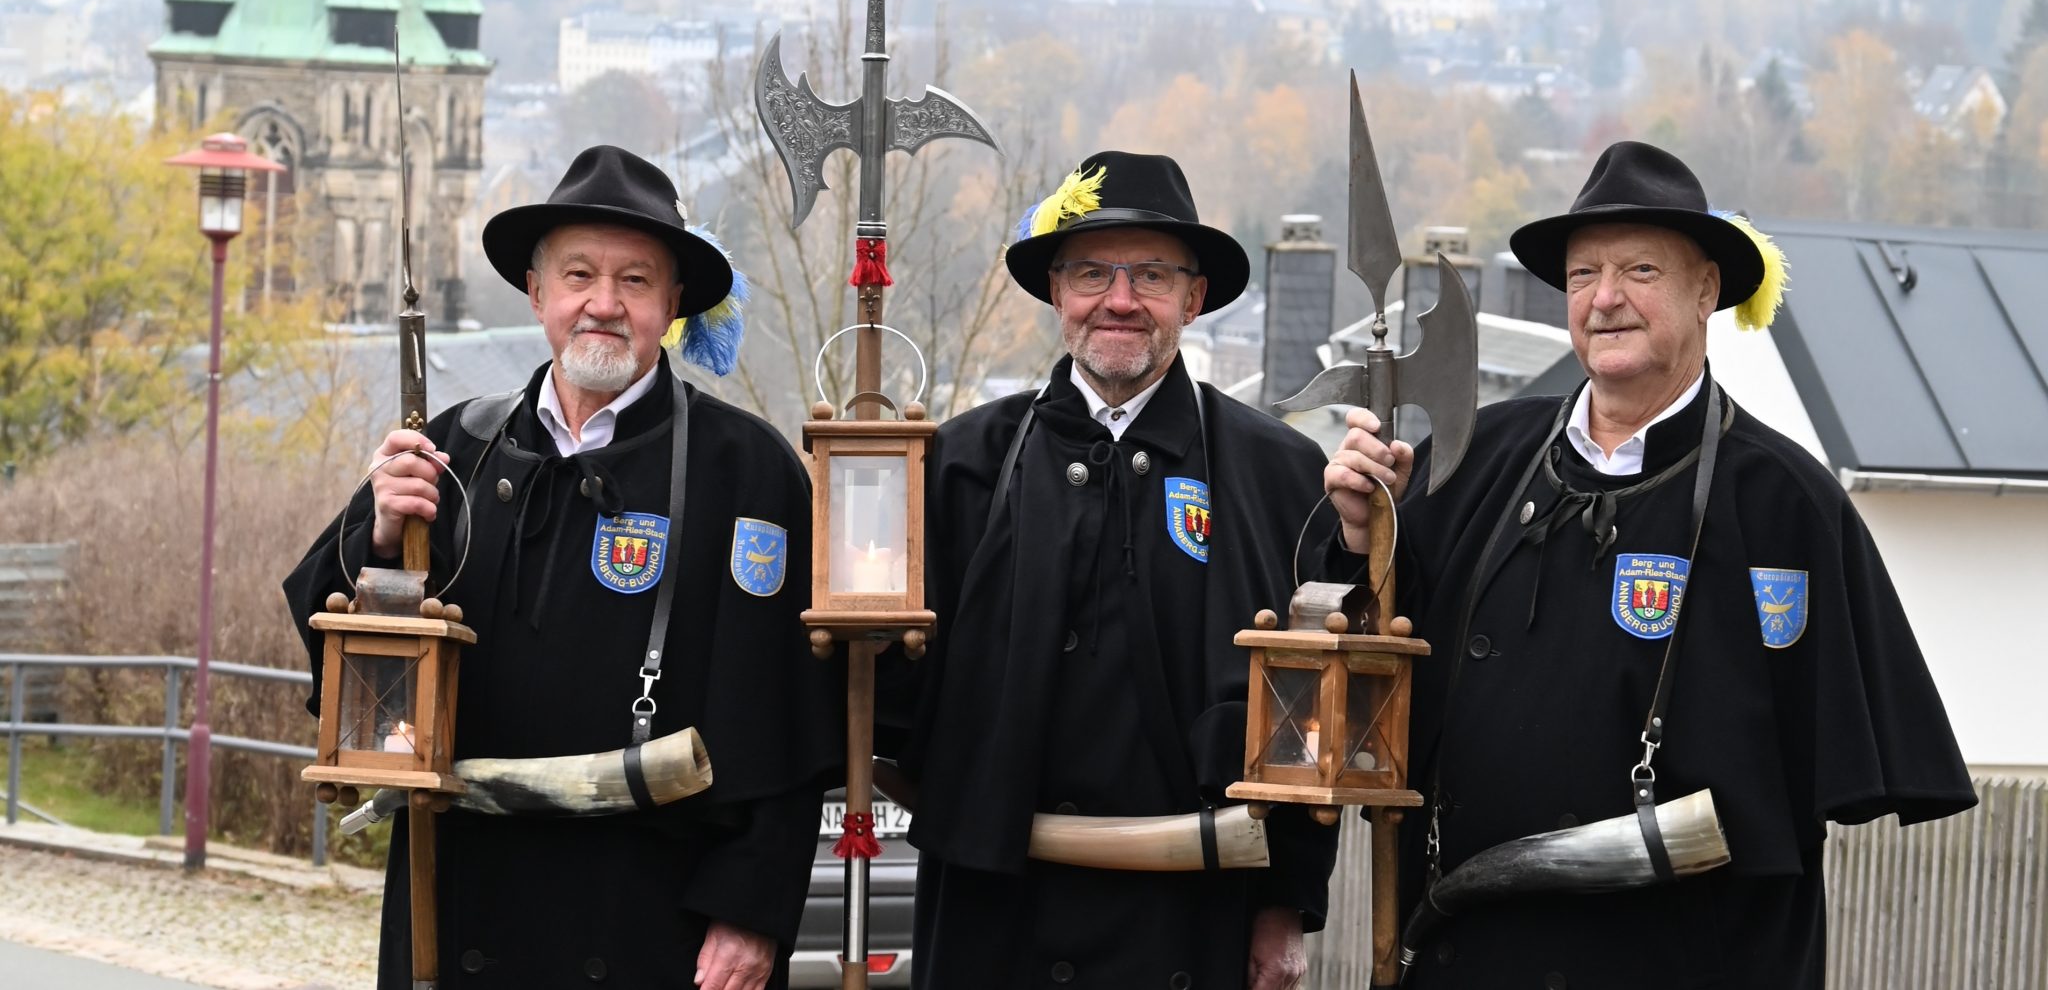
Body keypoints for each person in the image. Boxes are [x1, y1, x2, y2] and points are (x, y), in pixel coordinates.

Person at [1325, 141, 1976, 988]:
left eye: (1640, 270)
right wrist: (1353, 533)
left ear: (1706, 289)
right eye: (1585, 273)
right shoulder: (1471, 460)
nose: (1606, 299)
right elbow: (1358, 663)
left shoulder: (1789, 507)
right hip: (1473, 956)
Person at [284, 146, 839, 990]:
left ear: (674, 303)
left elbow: (786, 718)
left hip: (652, 916)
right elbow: (337, 650)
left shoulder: (748, 472)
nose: (604, 305)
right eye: (579, 275)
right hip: (462, 894)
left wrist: (752, 907)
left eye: (637, 281)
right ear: (537, 293)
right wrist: (382, 542)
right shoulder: (450, 449)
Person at [886, 151, 1341, 990]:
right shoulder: (960, 464)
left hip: (1193, 914)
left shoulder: (1279, 474)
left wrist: (1286, 904)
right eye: (1092, 271)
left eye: (1152, 275)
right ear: (1056, 292)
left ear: (1194, 298)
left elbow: (1306, 713)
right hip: (995, 915)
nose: (1120, 300)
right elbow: (897, 703)